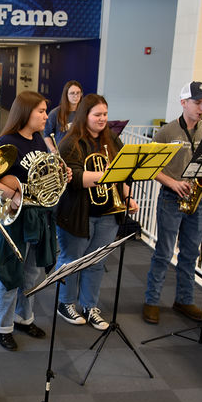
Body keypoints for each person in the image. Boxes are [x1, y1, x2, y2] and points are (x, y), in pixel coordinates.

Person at [0, 91, 69, 351]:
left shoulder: (38, 140)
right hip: (12, 218)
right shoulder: (5, 142)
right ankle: (2, 325)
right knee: (9, 274)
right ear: (26, 113)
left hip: (37, 216)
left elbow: (41, 177)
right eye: (42, 111)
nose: (47, 116)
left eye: (46, 111)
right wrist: (13, 195)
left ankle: (24, 318)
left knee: (31, 272)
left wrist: (61, 174)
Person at [54, 94, 138, 330]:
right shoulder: (71, 143)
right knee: (73, 260)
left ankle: (90, 306)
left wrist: (126, 195)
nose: (103, 119)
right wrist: (107, 176)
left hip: (108, 213)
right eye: (97, 115)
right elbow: (76, 178)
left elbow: (122, 171)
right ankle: (66, 303)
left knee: (97, 261)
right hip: (78, 213)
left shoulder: (111, 139)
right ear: (85, 116)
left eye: (105, 114)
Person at [143, 81, 202, 325]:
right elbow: (150, 168)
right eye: (197, 102)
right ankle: (151, 301)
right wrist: (173, 183)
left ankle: (184, 300)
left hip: (197, 199)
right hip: (171, 198)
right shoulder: (167, 132)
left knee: (191, 253)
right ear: (184, 103)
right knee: (163, 253)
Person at [44, 80, 83, 153]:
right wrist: (53, 150)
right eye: (72, 93)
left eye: (78, 93)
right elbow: (46, 135)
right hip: (59, 154)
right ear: (66, 95)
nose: (76, 96)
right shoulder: (55, 113)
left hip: (77, 154)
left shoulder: (84, 113)